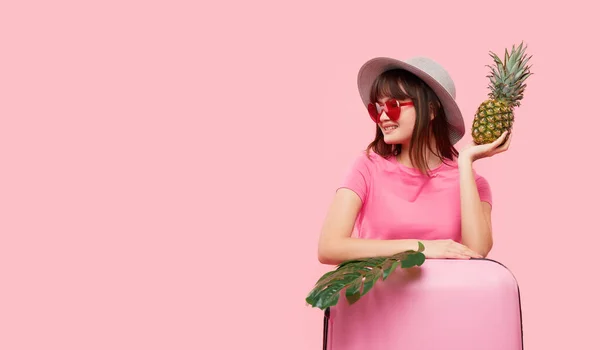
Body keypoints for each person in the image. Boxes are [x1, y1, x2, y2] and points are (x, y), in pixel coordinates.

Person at [317, 56, 511, 265]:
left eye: (393, 105)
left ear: (432, 111)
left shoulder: (473, 184)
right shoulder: (367, 167)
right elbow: (329, 247)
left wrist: (465, 162)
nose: (382, 117)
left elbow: (476, 252)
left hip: (443, 297)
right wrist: (421, 247)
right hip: (376, 295)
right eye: (377, 108)